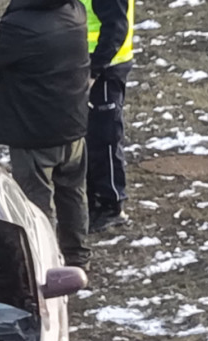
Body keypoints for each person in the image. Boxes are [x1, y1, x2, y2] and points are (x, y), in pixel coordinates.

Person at [0, 0, 91, 268]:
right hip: (72, 123)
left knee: (36, 204)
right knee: (73, 193)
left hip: (34, 131)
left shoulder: (20, 26)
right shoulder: (75, 11)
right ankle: (78, 256)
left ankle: (43, 262)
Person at [81, 0, 134, 232]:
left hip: (104, 66)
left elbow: (115, 27)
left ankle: (111, 204)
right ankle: (93, 200)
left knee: (105, 137)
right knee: (89, 134)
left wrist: (95, 70)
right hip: (87, 62)